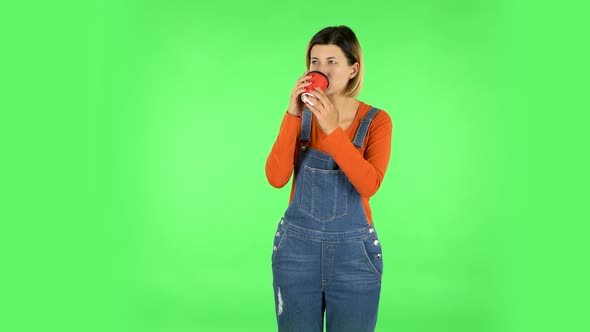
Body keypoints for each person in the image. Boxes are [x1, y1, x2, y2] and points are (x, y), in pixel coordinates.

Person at [265, 25, 393, 332]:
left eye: (332, 62)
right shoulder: (300, 118)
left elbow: (369, 184)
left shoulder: (376, 121)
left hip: (354, 257)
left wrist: (333, 131)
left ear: (353, 69)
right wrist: (292, 114)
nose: (321, 70)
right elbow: (275, 177)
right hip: (296, 254)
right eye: (315, 62)